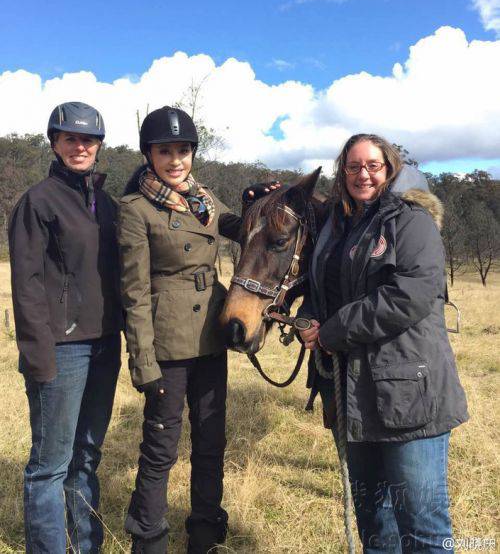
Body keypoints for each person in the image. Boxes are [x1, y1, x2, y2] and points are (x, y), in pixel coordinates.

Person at [298, 134, 468, 553]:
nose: (363, 174)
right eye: (353, 166)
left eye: (373, 165)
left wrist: (335, 330)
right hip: (356, 395)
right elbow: (325, 290)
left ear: (389, 168)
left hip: (408, 390)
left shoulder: (410, 219)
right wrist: (310, 318)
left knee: (422, 525)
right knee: (374, 521)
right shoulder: (337, 226)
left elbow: (412, 292)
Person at [119, 106, 276, 554]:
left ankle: (205, 533)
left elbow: (241, 228)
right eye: (165, 151)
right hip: (167, 345)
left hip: (211, 336)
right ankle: (148, 539)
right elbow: (134, 294)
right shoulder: (135, 209)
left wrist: (253, 202)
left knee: (210, 441)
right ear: (149, 154)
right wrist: (142, 360)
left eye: (183, 150)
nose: (175, 160)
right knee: (161, 449)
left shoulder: (203, 198)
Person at [9, 102, 123, 554]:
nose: (80, 146)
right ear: (55, 143)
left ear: (99, 146)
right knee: (50, 463)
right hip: (61, 349)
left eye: (88, 139)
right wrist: (40, 357)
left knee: (86, 457)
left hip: (104, 346)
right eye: (70, 138)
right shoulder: (37, 201)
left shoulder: (107, 203)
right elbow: (27, 284)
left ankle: (85, 544)